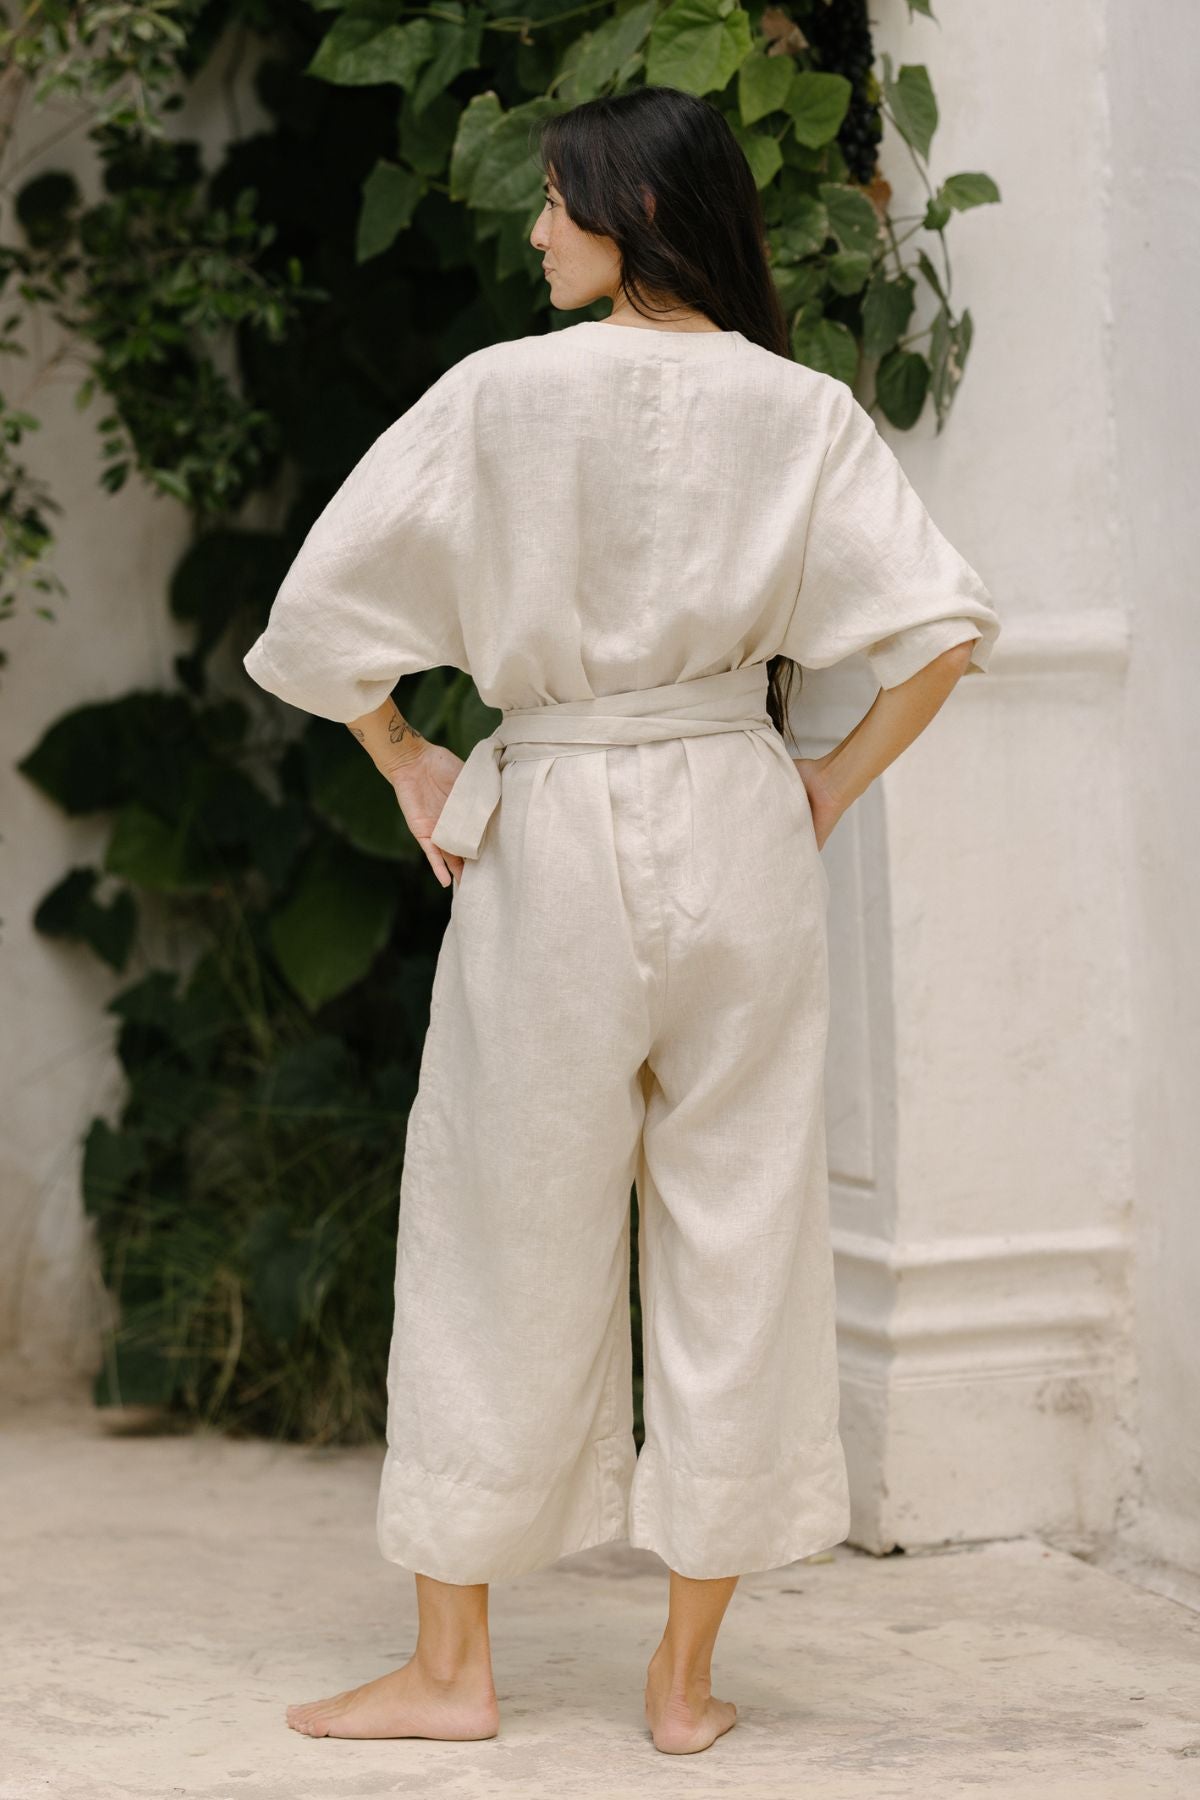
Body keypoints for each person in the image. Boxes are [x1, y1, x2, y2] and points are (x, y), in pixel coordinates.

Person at [242, 85, 1001, 1757]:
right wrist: (816, 789)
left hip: (563, 827)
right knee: (742, 1232)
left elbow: (316, 620)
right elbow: (945, 631)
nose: (532, 231)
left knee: (496, 1230)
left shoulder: (499, 398)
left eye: (555, 202)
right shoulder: (799, 410)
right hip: (739, 814)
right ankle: (682, 1685)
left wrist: (409, 761)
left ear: (634, 214)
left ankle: (452, 1676)